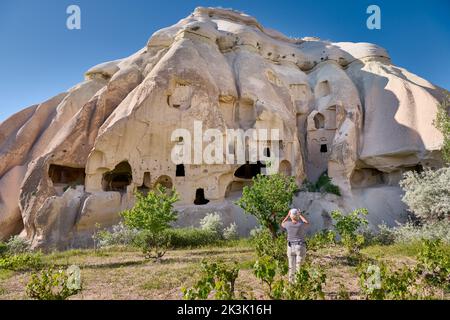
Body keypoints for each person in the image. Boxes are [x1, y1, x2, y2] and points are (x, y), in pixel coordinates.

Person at [281, 208, 309, 283]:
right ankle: (298, 284)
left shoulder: (287, 224)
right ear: (297, 216)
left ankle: (291, 284)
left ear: (290, 216)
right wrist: (301, 215)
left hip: (290, 247)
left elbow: (282, 223)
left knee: (291, 267)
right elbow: (307, 223)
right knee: (299, 267)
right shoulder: (301, 225)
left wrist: (287, 215)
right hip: (300, 246)